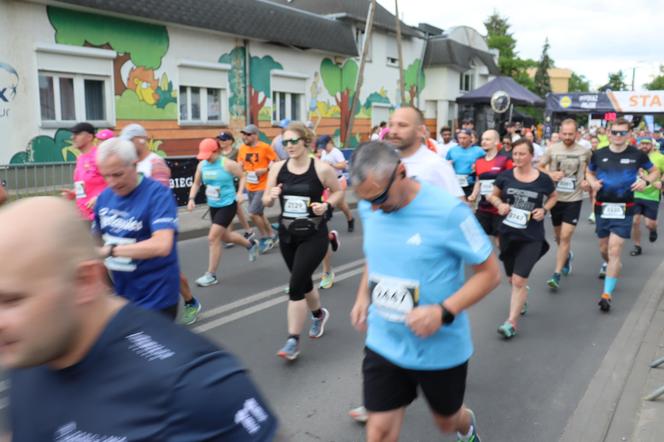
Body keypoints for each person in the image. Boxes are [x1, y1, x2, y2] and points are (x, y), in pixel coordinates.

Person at [0, 197, 278, 441]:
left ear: (84, 282)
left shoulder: (196, 386)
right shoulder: (29, 350)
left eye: (12, 300)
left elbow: (161, 244)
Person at [350, 141, 500, 442]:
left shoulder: (449, 212)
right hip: (384, 341)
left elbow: (490, 274)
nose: (375, 208)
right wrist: (362, 296)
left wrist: (442, 311)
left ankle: (466, 425)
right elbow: (376, 254)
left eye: (379, 197)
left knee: (446, 421)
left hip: (439, 348)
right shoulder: (371, 206)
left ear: (401, 172)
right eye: (367, 201)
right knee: (377, 433)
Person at [263, 122, 343, 361]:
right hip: (288, 235)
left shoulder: (321, 168)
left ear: (305, 142)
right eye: (284, 142)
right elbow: (266, 200)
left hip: (314, 235)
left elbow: (338, 192)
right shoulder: (277, 168)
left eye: (293, 141)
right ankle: (318, 314)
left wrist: (326, 205)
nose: (288, 146)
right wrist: (271, 196)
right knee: (304, 281)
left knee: (296, 284)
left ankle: (292, 341)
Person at [120, 124, 202, 325]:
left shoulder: (156, 164)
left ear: (141, 139)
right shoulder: (130, 163)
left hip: (157, 227)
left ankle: (190, 302)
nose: (126, 146)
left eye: (128, 141)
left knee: (166, 270)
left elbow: (158, 200)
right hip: (135, 225)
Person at [93, 137, 180, 320]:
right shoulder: (104, 198)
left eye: (117, 174)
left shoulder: (158, 195)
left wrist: (111, 251)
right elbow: (95, 242)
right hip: (122, 297)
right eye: (105, 176)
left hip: (156, 297)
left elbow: (162, 245)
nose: (112, 183)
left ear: (134, 164)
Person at [586, 118, 659, 312]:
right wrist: (592, 182)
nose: (618, 136)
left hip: (625, 208)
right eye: (615, 132)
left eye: (622, 133)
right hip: (603, 206)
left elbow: (655, 171)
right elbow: (589, 172)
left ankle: (606, 295)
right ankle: (611, 265)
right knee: (604, 248)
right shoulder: (598, 154)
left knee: (615, 249)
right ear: (609, 133)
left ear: (629, 134)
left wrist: (646, 181)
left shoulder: (637, 155)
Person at [487, 138, 557, 338]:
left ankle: (511, 322)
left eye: (522, 154)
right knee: (512, 278)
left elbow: (554, 196)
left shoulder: (542, 179)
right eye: (515, 154)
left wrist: (544, 209)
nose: (517, 157)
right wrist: (499, 204)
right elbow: (492, 195)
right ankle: (521, 297)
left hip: (531, 236)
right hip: (508, 234)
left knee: (518, 280)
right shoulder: (505, 176)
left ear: (531, 156)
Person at [187, 138, 259, 287]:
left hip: (228, 204)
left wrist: (240, 193)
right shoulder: (202, 165)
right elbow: (196, 183)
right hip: (214, 205)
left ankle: (211, 275)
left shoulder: (227, 164)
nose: (206, 158)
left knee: (213, 238)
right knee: (225, 237)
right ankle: (250, 244)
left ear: (217, 151)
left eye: (209, 155)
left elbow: (243, 176)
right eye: (204, 155)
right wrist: (191, 198)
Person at [537, 119, 591, 291]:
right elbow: (539, 166)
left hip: (574, 199)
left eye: (571, 134)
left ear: (577, 133)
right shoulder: (552, 149)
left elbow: (590, 171)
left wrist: (586, 182)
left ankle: (556, 274)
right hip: (556, 198)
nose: (567, 137)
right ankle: (567, 256)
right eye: (565, 134)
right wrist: (551, 174)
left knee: (566, 236)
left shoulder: (585, 151)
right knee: (559, 237)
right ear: (560, 133)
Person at [387, 107, 464, 199]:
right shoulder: (384, 162)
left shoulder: (437, 165)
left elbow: (459, 205)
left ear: (421, 131)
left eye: (402, 125)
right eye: (391, 125)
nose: (394, 131)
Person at [238, 124, 279, 253]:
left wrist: (266, 169)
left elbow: (277, 162)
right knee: (259, 213)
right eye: (243, 134)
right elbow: (240, 164)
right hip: (250, 185)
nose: (245, 137)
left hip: (264, 185)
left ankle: (265, 237)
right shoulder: (242, 148)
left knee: (252, 213)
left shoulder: (265, 147)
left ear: (256, 135)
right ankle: (272, 235)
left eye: (248, 134)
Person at [468, 130, 513, 242]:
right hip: (483, 207)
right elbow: (479, 181)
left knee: (499, 241)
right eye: (483, 139)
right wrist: (473, 195)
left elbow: (512, 181)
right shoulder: (479, 161)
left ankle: (504, 259)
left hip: (499, 207)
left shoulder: (504, 160)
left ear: (496, 142)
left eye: (488, 139)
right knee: (477, 239)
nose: (484, 142)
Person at [61, 123, 106, 222]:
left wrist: (100, 197)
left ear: (89, 137)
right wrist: (75, 193)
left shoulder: (100, 156)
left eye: (77, 134)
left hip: (100, 216)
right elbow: (81, 183)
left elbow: (115, 184)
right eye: (73, 134)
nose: (73, 137)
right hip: (83, 216)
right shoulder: (80, 158)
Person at [217, 130, 254, 244]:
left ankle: (230, 235)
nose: (221, 141)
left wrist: (240, 167)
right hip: (222, 185)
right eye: (219, 139)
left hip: (235, 183)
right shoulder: (218, 153)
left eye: (223, 139)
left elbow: (243, 165)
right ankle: (247, 231)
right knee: (236, 209)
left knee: (231, 207)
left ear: (230, 141)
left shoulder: (236, 152)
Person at [630, 137, 664, 256]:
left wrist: (662, 182)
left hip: (652, 195)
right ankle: (637, 246)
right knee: (635, 221)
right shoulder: (635, 156)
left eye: (647, 144)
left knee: (649, 224)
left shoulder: (660, 157)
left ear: (652, 145)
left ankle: (653, 229)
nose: (644, 146)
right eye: (642, 144)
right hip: (636, 193)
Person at [317, 134, 355, 231]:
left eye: (324, 145)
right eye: (322, 146)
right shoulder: (324, 152)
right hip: (328, 182)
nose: (323, 148)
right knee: (341, 204)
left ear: (330, 142)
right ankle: (350, 219)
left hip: (338, 181)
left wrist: (332, 165)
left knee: (332, 202)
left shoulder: (336, 152)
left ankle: (327, 219)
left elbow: (343, 165)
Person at [446, 129, 486, 198]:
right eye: (460, 138)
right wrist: (448, 164)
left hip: (471, 183)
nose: (462, 140)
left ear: (470, 138)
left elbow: (487, 162)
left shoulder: (479, 150)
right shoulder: (452, 150)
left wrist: (478, 166)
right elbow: (446, 163)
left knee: (469, 206)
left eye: (464, 138)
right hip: (456, 184)